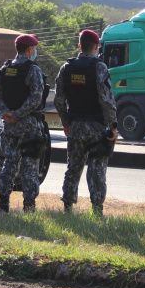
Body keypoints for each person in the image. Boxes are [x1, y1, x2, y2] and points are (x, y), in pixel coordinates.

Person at [54, 29, 118, 217]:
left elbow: (58, 100)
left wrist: (66, 122)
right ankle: (97, 212)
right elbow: (107, 100)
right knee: (97, 171)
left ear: (79, 45)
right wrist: (113, 126)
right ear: (97, 47)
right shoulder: (99, 67)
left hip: (75, 127)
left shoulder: (67, 67)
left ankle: (67, 209)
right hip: (97, 129)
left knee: (73, 169)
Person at [0, 34, 46, 213]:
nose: (35, 51)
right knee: (30, 167)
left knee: (9, 165)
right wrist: (19, 114)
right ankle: (29, 208)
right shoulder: (32, 70)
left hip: (9, 126)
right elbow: (36, 97)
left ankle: (3, 205)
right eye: (34, 48)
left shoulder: (4, 69)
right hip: (29, 126)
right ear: (30, 49)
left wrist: (6, 113)